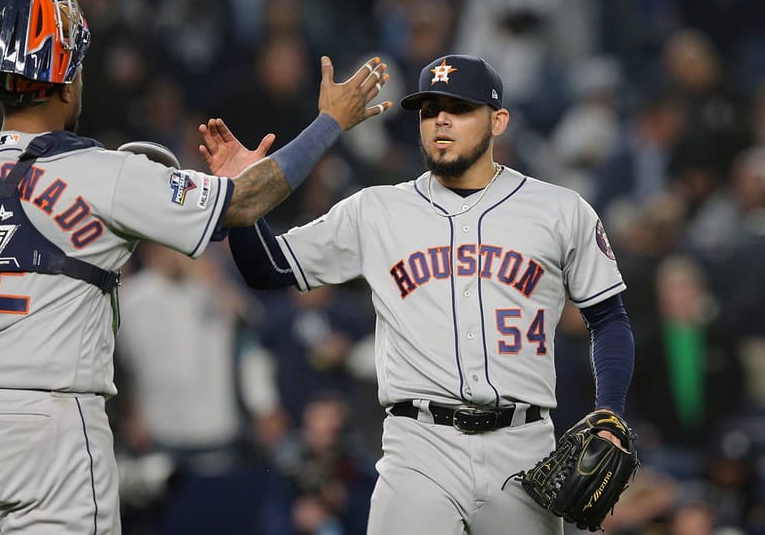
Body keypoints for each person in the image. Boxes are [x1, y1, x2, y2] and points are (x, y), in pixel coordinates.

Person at [0, 0, 391, 534]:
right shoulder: (105, 175)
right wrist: (331, 122)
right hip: (47, 424)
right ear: (68, 83)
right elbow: (248, 201)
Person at [199, 53, 636, 534]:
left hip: (525, 449)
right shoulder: (377, 209)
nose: (441, 120)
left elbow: (609, 319)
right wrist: (240, 197)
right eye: (429, 109)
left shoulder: (560, 209)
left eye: (459, 107)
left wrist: (609, 410)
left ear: (498, 121)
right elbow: (269, 268)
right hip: (418, 446)